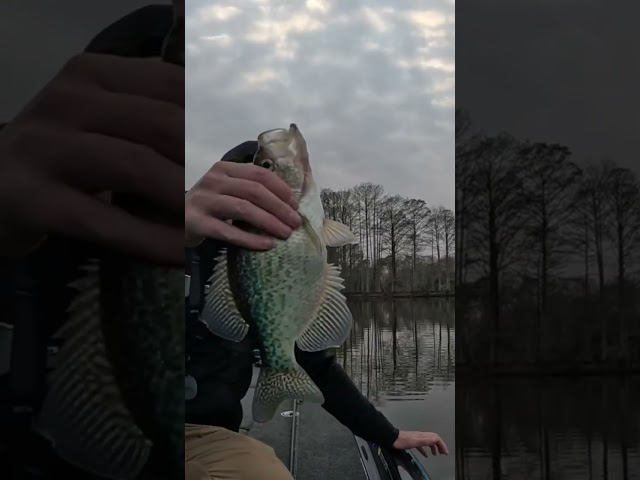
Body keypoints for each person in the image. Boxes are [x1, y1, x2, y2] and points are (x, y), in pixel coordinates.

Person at [183, 141, 449, 480]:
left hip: (206, 436)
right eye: (246, 188)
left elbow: (315, 365)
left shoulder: (276, 254)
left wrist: (388, 435)